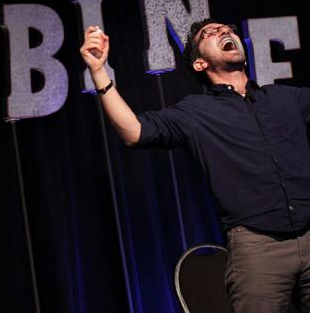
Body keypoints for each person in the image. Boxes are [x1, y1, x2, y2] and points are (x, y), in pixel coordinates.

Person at [80, 20, 310, 313]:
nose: (225, 32)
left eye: (228, 29)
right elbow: (133, 131)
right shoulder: (195, 112)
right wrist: (98, 71)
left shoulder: (284, 98)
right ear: (200, 63)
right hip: (258, 248)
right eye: (210, 33)